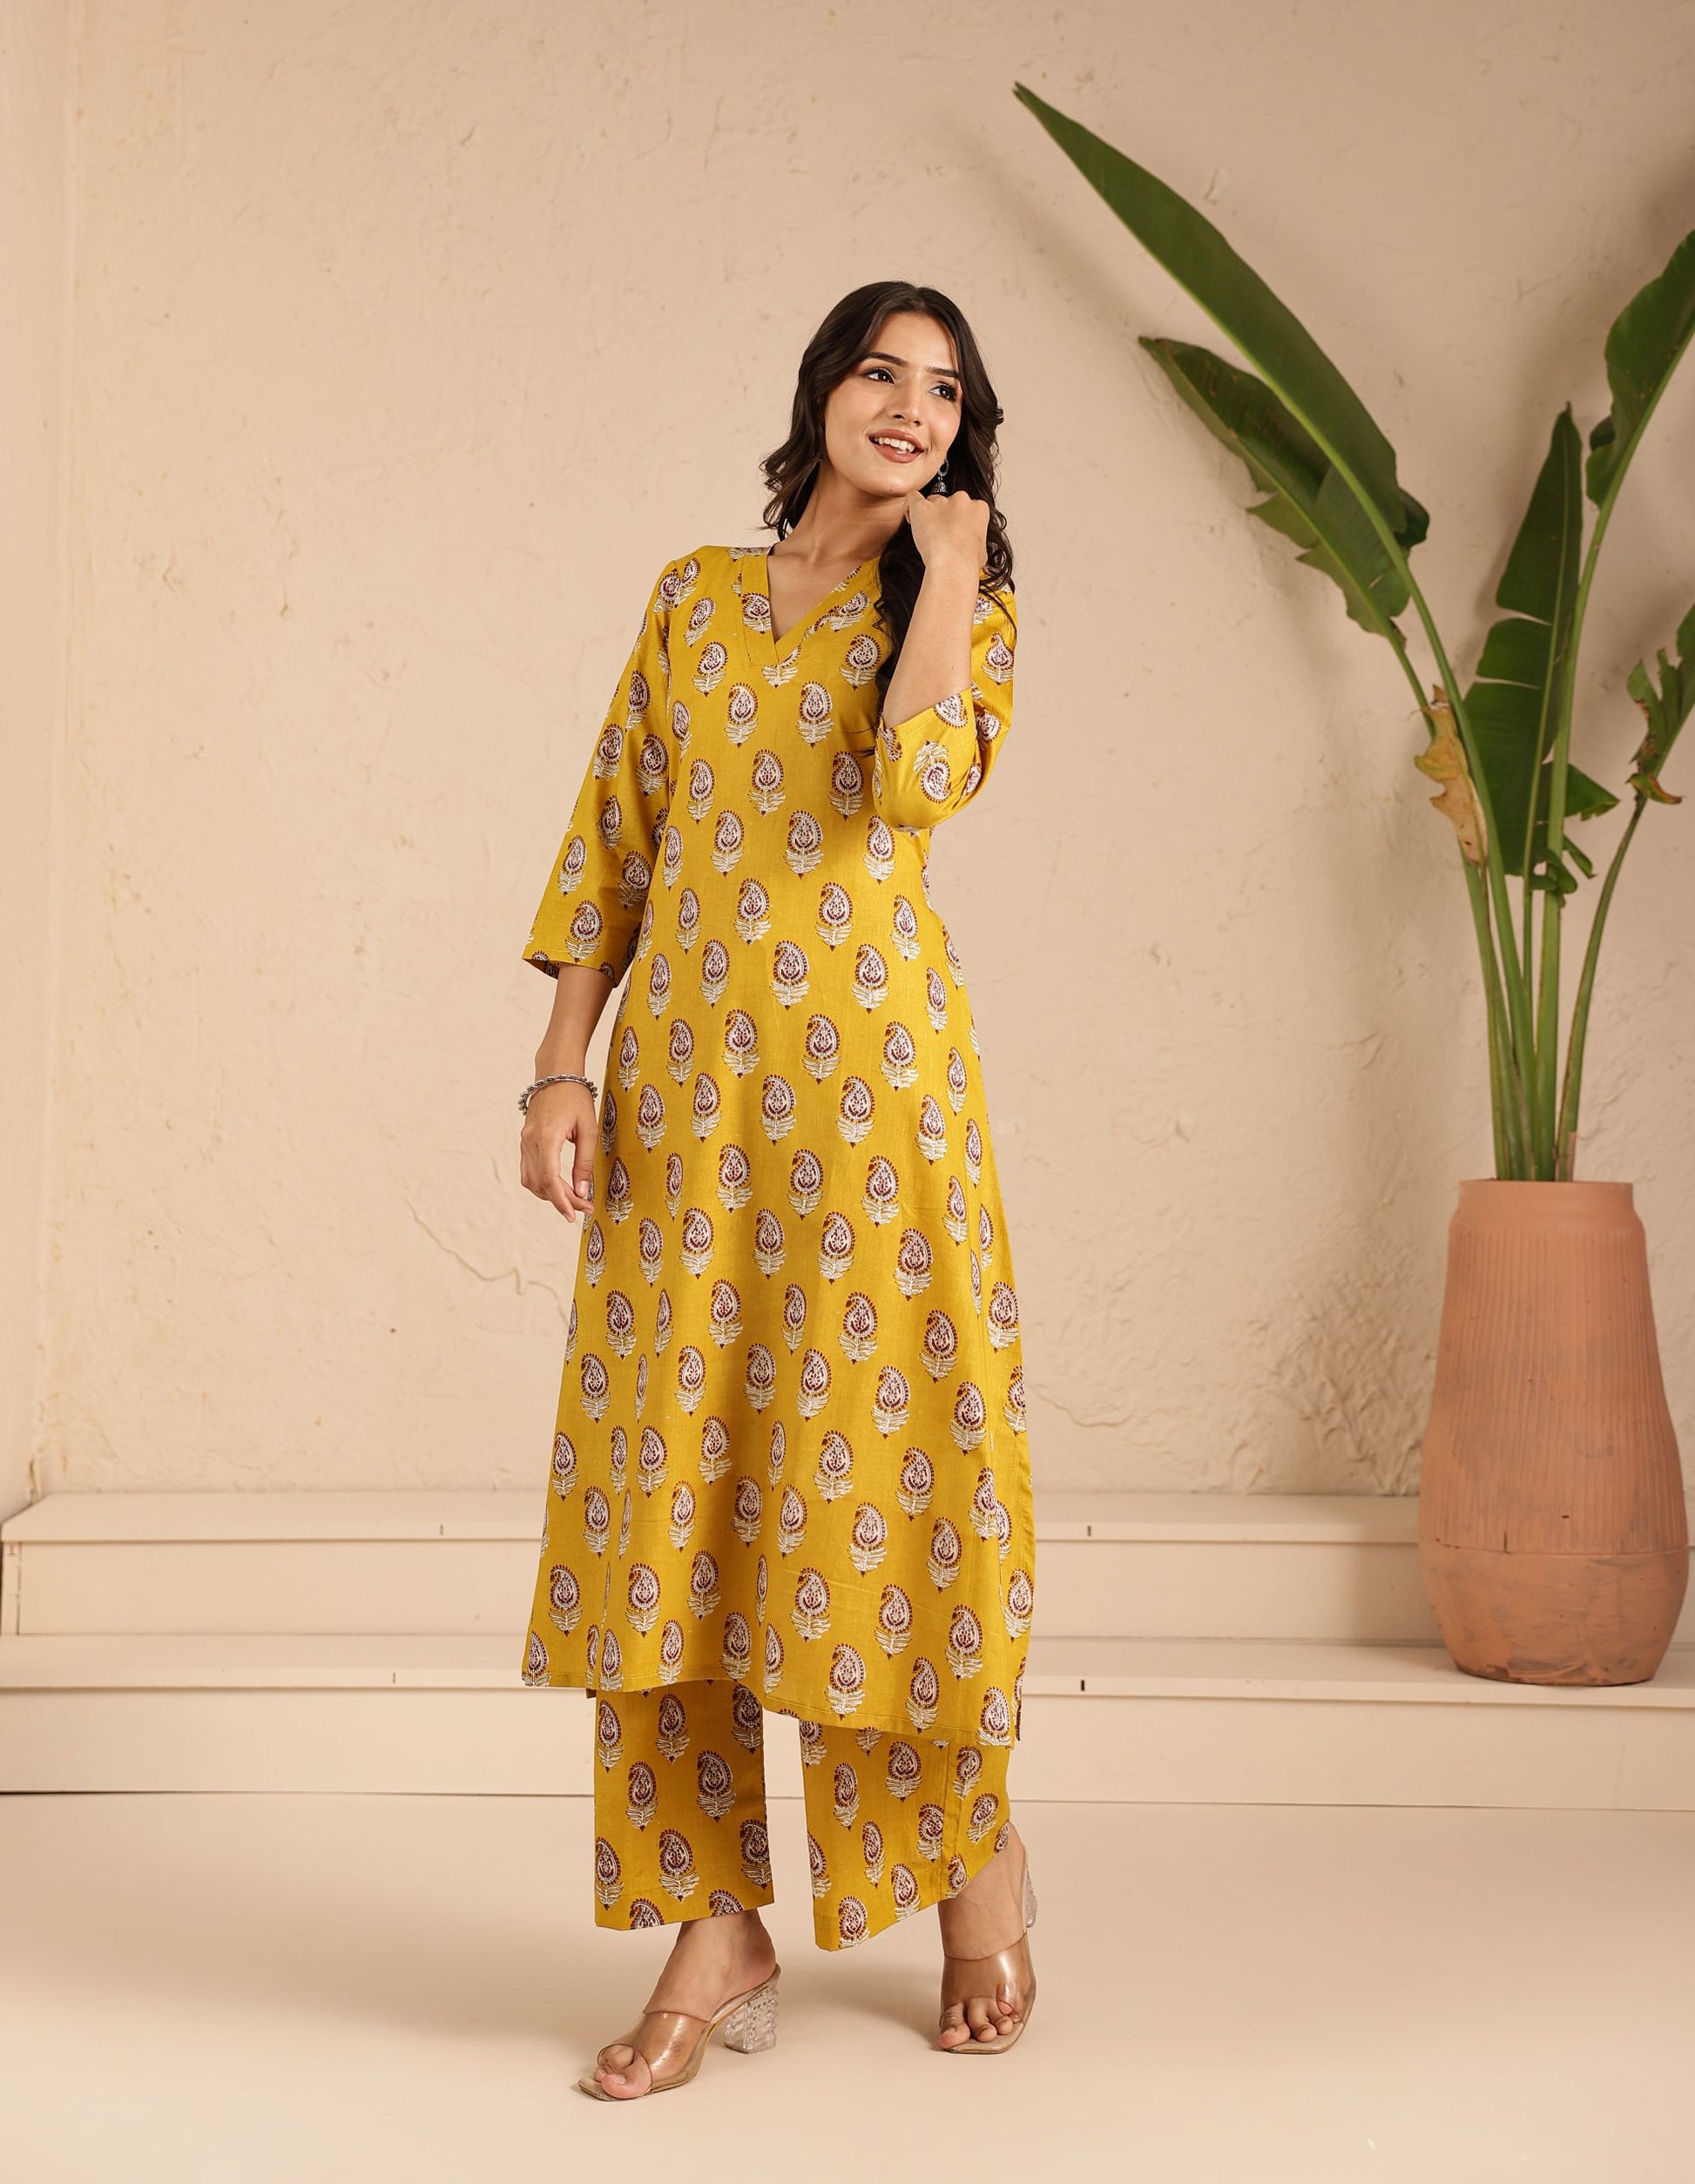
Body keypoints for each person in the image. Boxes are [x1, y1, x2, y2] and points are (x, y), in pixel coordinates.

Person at [516, 280, 1037, 2099]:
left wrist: (948, 576)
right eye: (880, 371)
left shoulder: (959, 610)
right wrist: (562, 1067)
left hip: (876, 1117)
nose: (907, 405)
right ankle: (712, 1918)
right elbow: (616, 837)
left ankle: (972, 1863)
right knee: (675, 1490)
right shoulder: (695, 597)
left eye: (943, 390)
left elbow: (916, 782)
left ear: (963, 435)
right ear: (821, 390)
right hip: (689, 1116)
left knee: (873, 1485)